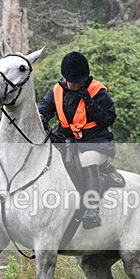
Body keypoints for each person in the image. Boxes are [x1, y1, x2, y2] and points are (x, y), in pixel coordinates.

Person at [38, 51, 116, 229]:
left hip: (96, 142)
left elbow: (108, 119)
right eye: (73, 82)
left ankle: (92, 209)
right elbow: (43, 110)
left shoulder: (97, 92)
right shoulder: (56, 91)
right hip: (66, 139)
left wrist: (90, 104)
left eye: (80, 81)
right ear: (65, 78)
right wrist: (42, 117)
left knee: (86, 160)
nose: (77, 84)